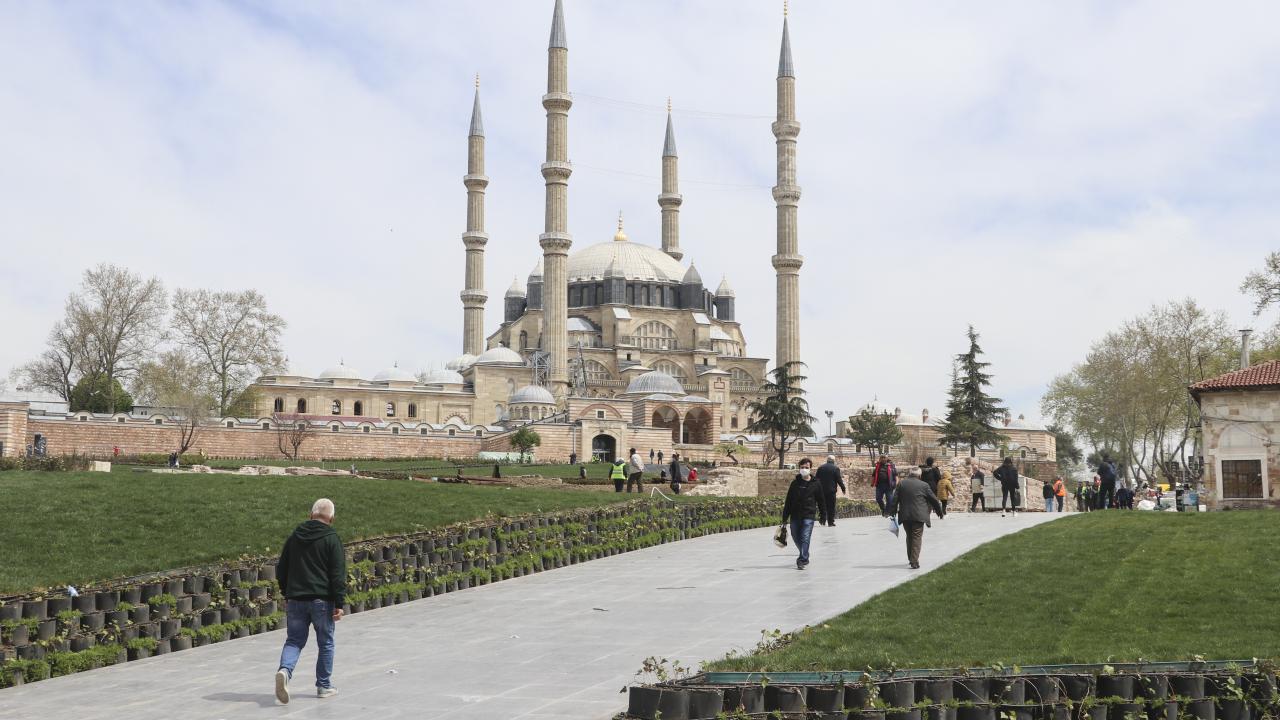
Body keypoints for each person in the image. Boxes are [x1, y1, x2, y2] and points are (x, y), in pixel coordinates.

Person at [275, 498, 346, 704]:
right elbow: (337, 575)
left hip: (296, 599)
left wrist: (286, 593)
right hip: (322, 601)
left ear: (310, 514)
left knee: (294, 641)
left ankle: (284, 671)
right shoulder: (332, 538)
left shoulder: (294, 537)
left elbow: (282, 570)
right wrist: (339, 604)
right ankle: (323, 685)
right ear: (331, 518)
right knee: (326, 643)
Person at [887, 466, 944, 570]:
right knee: (916, 537)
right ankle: (914, 561)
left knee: (909, 537)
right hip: (919, 516)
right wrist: (940, 512)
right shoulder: (924, 485)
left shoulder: (902, 484)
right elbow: (934, 500)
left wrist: (892, 512)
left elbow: (895, 499)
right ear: (919, 475)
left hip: (905, 515)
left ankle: (911, 559)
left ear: (910, 474)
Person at [780, 458, 827, 570]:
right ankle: (804, 552)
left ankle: (802, 559)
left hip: (808, 515)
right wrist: (784, 518)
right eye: (802, 467)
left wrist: (823, 515)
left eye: (806, 467)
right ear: (799, 468)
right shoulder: (795, 483)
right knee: (796, 536)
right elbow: (788, 501)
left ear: (810, 469)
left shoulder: (816, 484)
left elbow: (821, 500)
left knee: (805, 537)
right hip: (795, 515)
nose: (804, 469)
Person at [815, 455, 846, 527]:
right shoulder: (835, 468)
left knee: (822, 505)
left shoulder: (820, 468)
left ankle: (822, 520)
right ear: (833, 461)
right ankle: (830, 522)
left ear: (827, 460)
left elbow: (816, 479)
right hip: (831, 491)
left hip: (821, 490)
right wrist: (843, 488)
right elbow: (839, 479)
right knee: (831, 506)